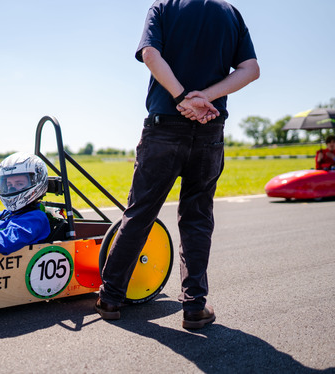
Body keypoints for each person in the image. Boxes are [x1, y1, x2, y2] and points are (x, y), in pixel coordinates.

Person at [97, 0, 260, 329]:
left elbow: (150, 55)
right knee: (197, 218)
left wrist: (182, 96)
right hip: (210, 130)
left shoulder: (164, 7)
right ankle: (194, 307)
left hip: (164, 128)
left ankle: (111, 297)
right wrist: (206, 97)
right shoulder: (230, 14)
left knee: (140, 212)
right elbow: (250, 69)